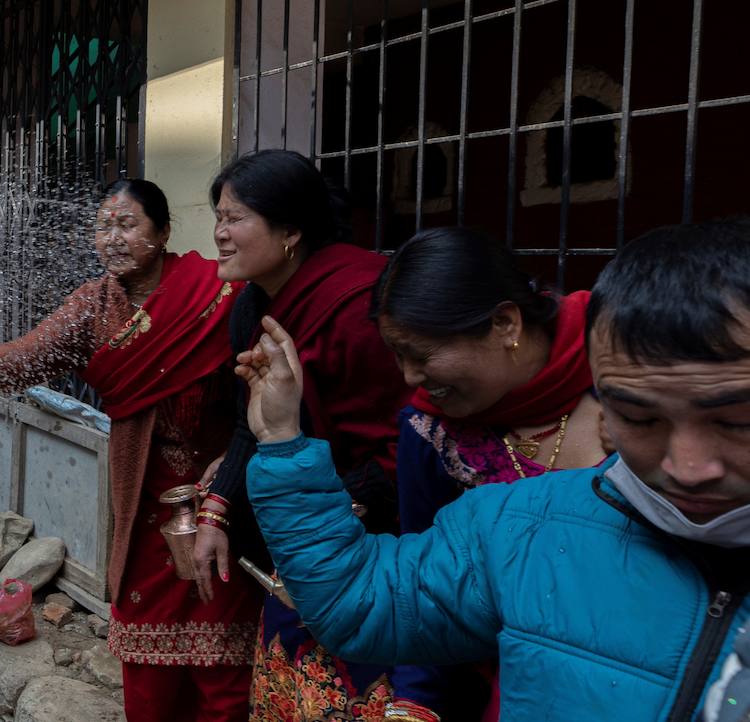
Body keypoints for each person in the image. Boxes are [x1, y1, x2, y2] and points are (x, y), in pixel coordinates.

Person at [241, 218, 750, 722]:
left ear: (506, 324)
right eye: (641, 419)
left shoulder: (613, 365)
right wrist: (282, 440)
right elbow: (365, 598)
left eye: (736, 422)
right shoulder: (514, 525)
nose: (689, 468)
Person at [0, 179, 262, 722]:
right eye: (101, 226)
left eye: (127, 224)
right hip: (144, 500)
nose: (111, 238)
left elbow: (257, 391)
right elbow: (32, 353)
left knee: (223, 654)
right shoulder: (92, 307)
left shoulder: (217, 293)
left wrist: (235, 461)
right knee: (147, 652)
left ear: (163, 232)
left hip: (223, 496)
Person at [195, 149, 409, 722]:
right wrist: (218, 510)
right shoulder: (250, 307)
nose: (219, 234)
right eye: (218, 217)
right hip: (298, 537)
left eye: (235, 218)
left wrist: (324, 521)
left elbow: (404, 449)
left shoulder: (362, 307)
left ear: (291, 230)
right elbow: (253, 421)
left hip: (376, 544)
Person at [372, 227, 608, 722]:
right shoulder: (428, 433)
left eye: (422, 354)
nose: (410, 377)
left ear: (504, 323)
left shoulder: (628, 376)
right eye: (398, 355)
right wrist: (413, 706)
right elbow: (424, 581)